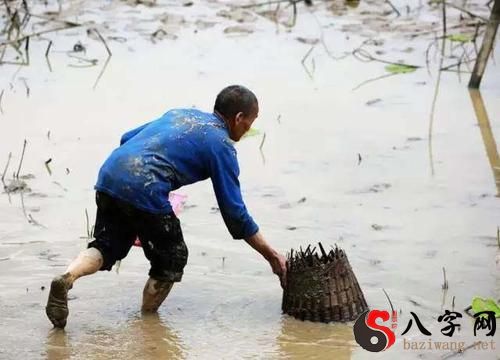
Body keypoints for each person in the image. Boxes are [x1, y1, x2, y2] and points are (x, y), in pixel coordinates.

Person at [45, 85, 288, 329]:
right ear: (238, 118)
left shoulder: (180, 114)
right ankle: (148, 325)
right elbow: (235, 214)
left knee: (105, 246)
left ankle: (67, 277)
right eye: (249, 124)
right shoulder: (221, 146)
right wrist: (271, 256)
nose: (247, 131)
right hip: (145, 187)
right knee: (172, 257)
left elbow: (127, 138)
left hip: (110, 175)